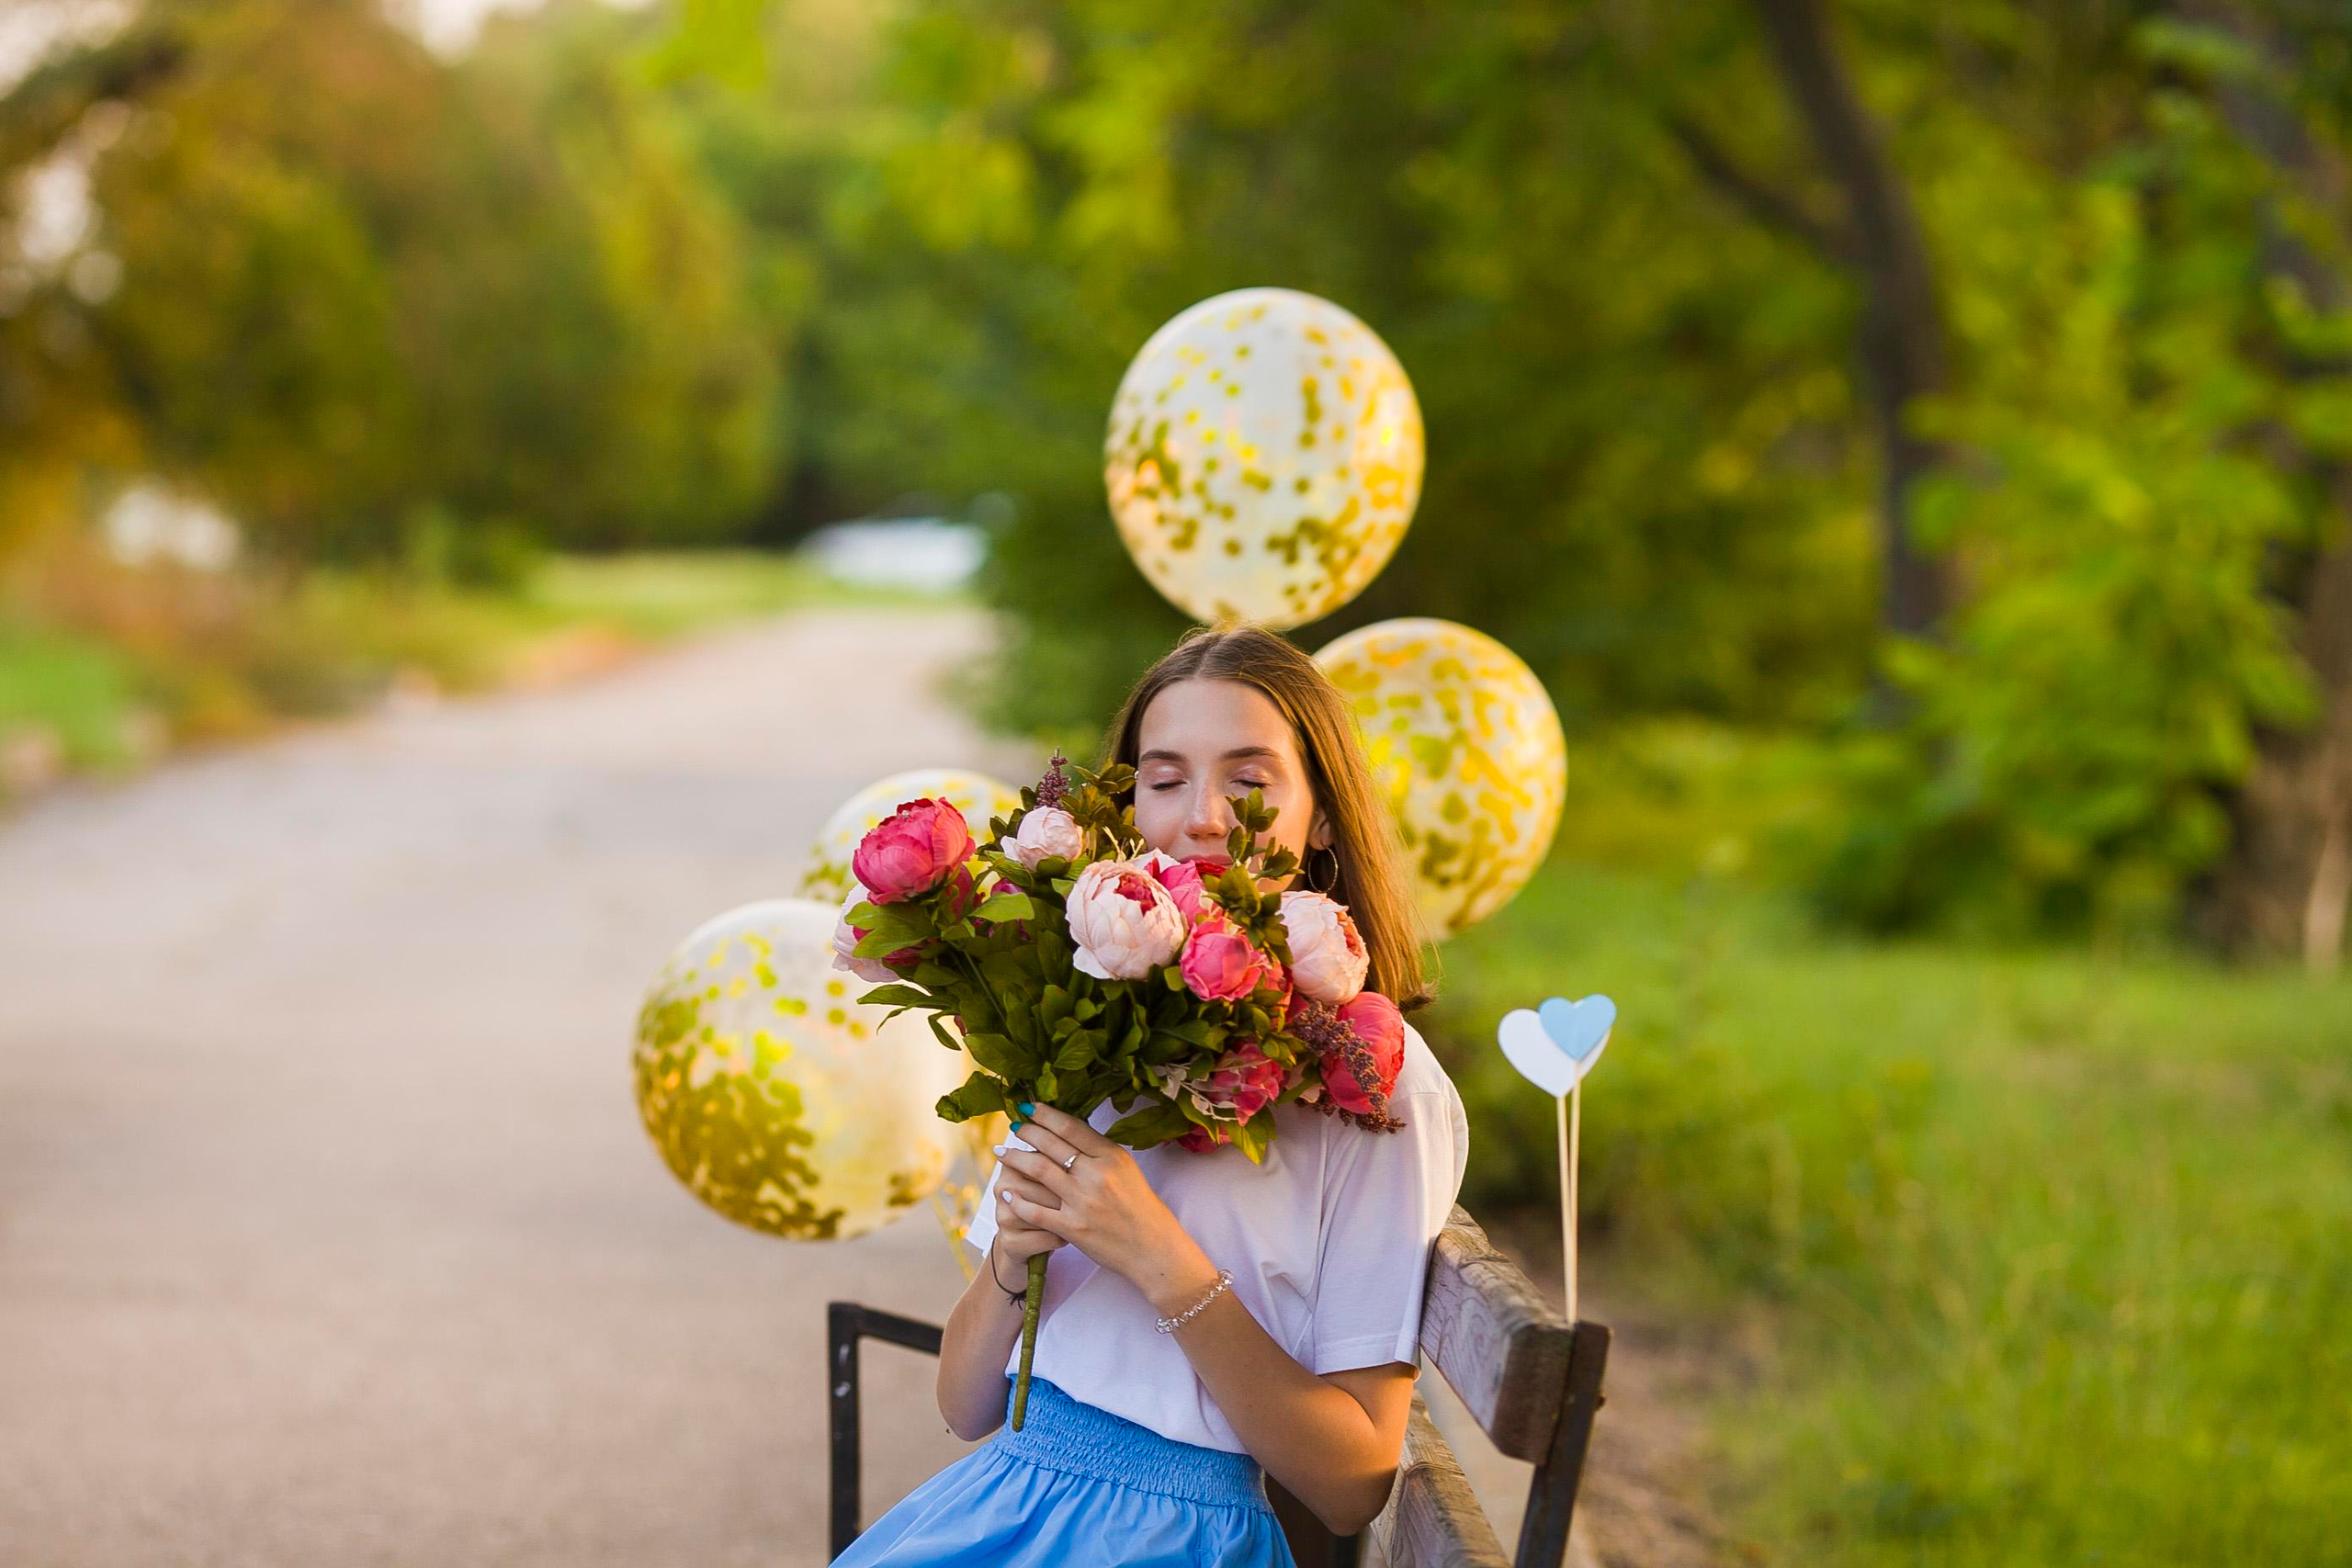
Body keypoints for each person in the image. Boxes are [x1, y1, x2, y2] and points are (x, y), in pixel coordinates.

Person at [832, 625, 1470, 1568]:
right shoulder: (1087, 1013)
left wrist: (1159, 1257)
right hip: (1002, 1502)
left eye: (1249, 783)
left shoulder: (1373, 1078)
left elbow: (1349, 1485)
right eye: (1164, 780)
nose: (1203, 817)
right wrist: (1012, 1257)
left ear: (1322, 817)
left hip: (1175, 1538)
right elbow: (965, 1407)